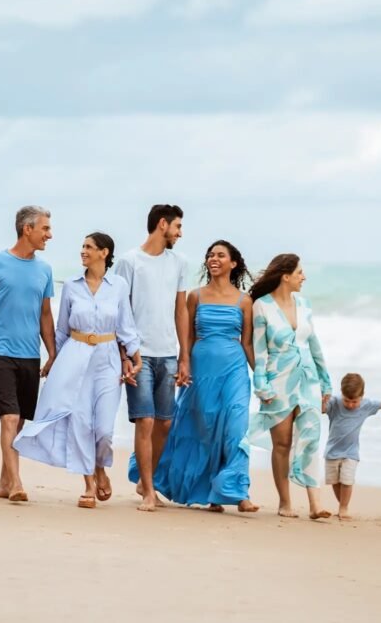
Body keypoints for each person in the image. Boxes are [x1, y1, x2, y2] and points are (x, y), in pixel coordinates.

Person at [13, 233, 142, 508]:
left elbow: (126, 326)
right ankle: (88, 484)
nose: (83, 251)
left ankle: (99, 467)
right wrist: (52, 359)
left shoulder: (118, 285)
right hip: (75, 356)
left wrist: (135, 357)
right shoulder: (71, 285)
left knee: (104, 429)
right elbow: (62, 329)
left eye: (89, 247)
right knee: (81, 422)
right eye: (82, 246)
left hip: (108, 359)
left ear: (104, 253)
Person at [152, 240, 259, 513]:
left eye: (221, 255)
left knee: (236, 428)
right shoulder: (196, 296)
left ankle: (239, 492)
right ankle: (213, 492)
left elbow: (247, 343)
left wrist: (263, 377)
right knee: (204, 428)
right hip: (201, 369)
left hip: (234, 370)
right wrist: (183, 362)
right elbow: (187, 336)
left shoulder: (244, 301)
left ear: (233, 263)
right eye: (211, 255)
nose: (214, 259)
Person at [0, 206, 56, 504]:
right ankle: (17, 483)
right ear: (27, 229)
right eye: (45, 229)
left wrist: (53, 353)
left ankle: (4, 482)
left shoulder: (44, 269)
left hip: (29, 355)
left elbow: (46, 315)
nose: (50, 234)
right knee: (10, 417)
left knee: (19, 423)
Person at [248, 254, 331, 520]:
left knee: (310, 439)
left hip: (308, 382)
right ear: (285, 276)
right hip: (278, 382)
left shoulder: (304, 304)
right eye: (299, 273)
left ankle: (315, 504)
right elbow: (260, 350)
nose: (303, 277)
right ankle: (285, 502)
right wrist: (261, 385)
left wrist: (326, 382)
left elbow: (314, 345)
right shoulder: (261, 306)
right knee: (282, 444)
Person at [119, 204, 190, 512]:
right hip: (139, 355)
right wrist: (124, 355)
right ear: (163, 225)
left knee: (164, 423)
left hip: (168, 354)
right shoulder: (129, 261)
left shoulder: (179, 263)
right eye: (177, 226)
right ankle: (149, 490)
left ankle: (144, 481)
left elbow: (181, 310)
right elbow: (120, 311)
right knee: (145, 421)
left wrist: (184, 356)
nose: (180, 233)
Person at [323, 373, 381, 519]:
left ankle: (344, 508)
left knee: (347, 480)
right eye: (347, 401)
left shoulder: (365, 405)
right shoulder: (334, 403)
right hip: (332, 451)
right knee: (335, 481)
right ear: (342, 394)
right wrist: (322, 399)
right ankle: (342, 504)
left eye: (354, 401)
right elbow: (321, 409)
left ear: (362, 396)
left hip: (351, 452)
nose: (351, 405)